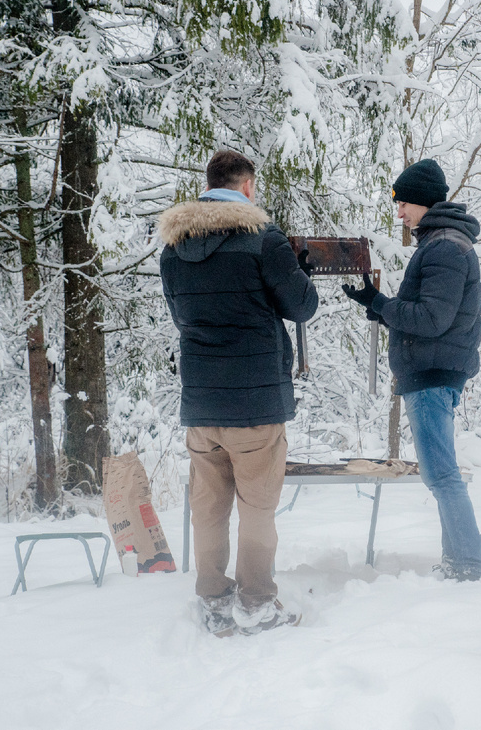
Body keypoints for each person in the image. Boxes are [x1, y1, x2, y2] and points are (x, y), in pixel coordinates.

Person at [159, 149, 317, 635]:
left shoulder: (173, 248)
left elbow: (181, 317)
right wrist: (300, 268)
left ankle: (212, 596)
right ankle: (256, 602)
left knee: (208, 507)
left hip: (202, 403)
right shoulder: (263, 240)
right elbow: (302, 307)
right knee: (257, 509)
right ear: (247, 187)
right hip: (255, 404)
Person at [342, 159, 481, 581]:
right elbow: (428, 316)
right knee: (440, 473)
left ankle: (467, 564)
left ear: (423, 201)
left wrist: (382, 305)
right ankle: (459, 560)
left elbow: (431, 320)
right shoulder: (440, 243)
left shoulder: (444, 246)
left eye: (403, 202)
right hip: (432, 370)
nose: (400, 212)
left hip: (432, 375)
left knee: (441, 474)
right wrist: (377, 304)